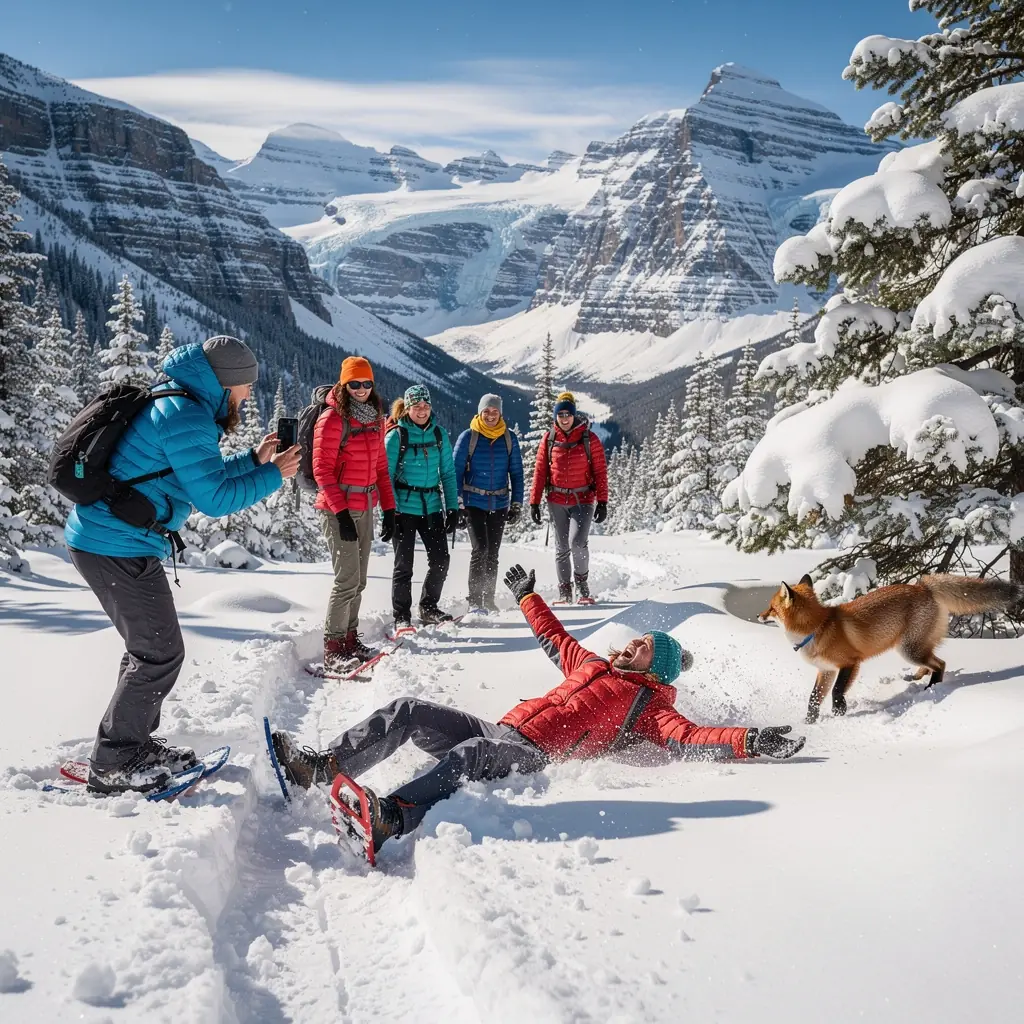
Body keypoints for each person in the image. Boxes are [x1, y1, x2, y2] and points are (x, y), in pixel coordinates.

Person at [270, 563, 805, 859]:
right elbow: (555, 638)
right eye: (638, 639)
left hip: (532, 754)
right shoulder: (593, 664)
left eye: (644, 648)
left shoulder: (647, 705)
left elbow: (692, 737)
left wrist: (749, 741)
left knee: (474, 754)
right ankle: (322, 767)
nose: (632, 644)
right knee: (408, 709)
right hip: (503, 726)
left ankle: (392, 817)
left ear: (657, 670)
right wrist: (528, 596)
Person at [65, 335, 300, 794]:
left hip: (112, 541)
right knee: (158, 653)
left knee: (149, 650)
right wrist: (274, 474)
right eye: (245, 386)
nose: (247, 395)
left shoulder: (180, 403)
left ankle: (130, 746)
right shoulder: (187, 415)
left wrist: (254, 461)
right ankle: (114, 763)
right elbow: (214, 498)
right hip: (115, 546)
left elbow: (200, 475)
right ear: (226, 383)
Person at [313, 356, 396, 671]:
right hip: (339, 509)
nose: (361, 389)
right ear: (344, 384)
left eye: (366, 383)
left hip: (366, 506)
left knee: (359, 580)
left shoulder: (375, 418)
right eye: (354, 384)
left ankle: (349, 639)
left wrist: (389, 509)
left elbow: (381, 468)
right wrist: (341, 513)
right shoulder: (332, 419)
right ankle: (333, 648)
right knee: (346, 579)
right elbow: (321, 470)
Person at [384, 384, 459, 627]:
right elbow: (385, 476)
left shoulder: (439, 435)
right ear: (407, 408)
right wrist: (391, 511)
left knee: (441, 561)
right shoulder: (396, 436)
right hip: (404, 510)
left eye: (426, 405)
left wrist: (453, 508)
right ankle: (401, 616)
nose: (422, 410)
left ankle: (428, 607)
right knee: (404, 565)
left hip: (432, 507)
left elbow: (447, 473)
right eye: (416, 406)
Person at [530, 391, 609, 604]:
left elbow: (600, 472)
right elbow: (540, 472)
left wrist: (602, 501)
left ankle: (582, 585)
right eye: (560, 414)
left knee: (577, 542)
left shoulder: (589, 439)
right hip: (556, 500)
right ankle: (564, 590)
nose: (564, 418)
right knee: (561, 547)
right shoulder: (549, 439)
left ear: (574, 415)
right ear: (555, 416)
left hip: (582, 499)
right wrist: (534, 502)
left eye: (568, 414)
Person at [452, 393, 524, 611]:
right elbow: (455, 472)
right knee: (480, 549)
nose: (491, 415)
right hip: (473, 502)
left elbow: (517, 473)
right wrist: (457, 504)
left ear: (500, 413)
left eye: (495, 411)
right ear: (479, 412)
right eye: (486, 411)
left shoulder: (509, 438)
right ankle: (475, 601)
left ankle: (489, 600)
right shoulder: (468, 437)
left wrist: (516, 504)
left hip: (499, 503)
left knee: (492, 553)